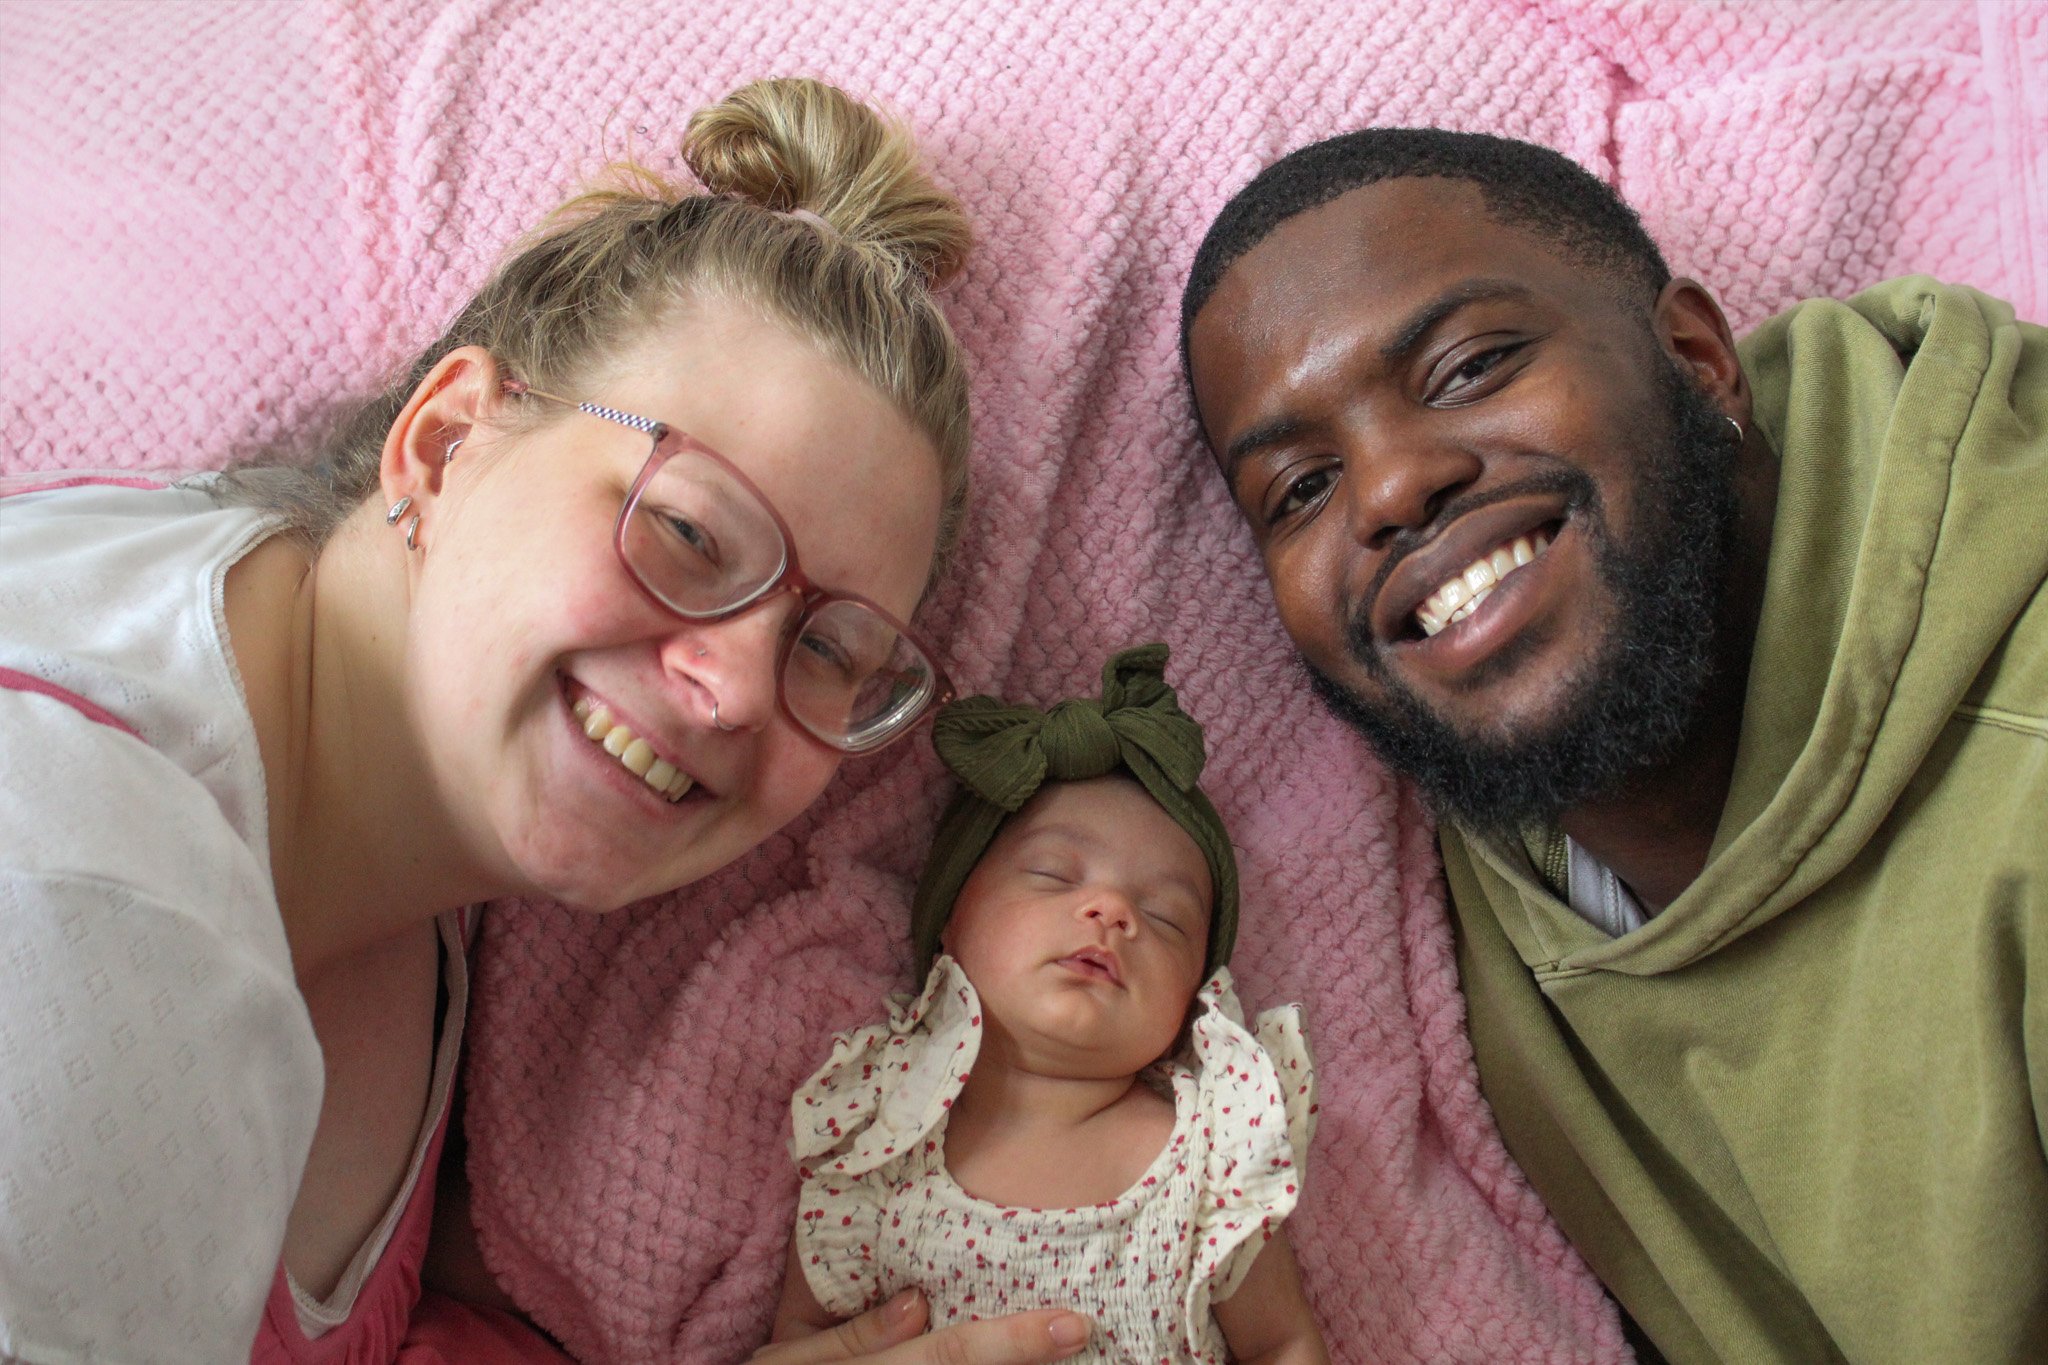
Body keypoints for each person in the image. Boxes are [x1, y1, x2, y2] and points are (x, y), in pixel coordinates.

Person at [0, 76, 1087, 1365]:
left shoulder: (374, 783)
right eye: (687, 533)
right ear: (447, 440)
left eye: (831, 649)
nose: (737, 690)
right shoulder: (72, 900)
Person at [1176, 127, 2047, 1363]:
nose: (1386, 492)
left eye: (1468, 366)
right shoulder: (1446, 924)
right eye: (1300, 491)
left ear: (1694, 358)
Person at [770, 645, 1326, 1365]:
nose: (1111, 909)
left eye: (1166, 918)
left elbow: (1282, 1342)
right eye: (1053, 872)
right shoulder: (879, 1149)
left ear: (1196, 999)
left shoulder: (1210, 1156)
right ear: (951, 918)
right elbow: (804, 1346)